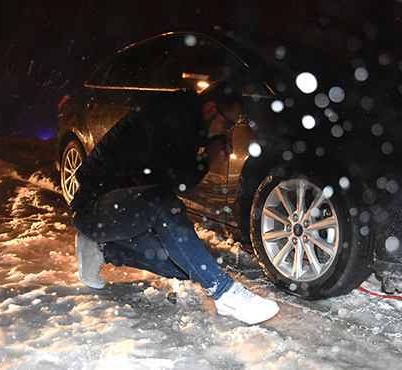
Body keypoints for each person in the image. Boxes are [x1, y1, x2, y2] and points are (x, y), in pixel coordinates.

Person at [70, 81, 279, 325]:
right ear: (210, 109)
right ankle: (224, 293)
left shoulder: (190, 125)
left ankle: (103, 248)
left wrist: (203, 158)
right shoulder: (170, 114)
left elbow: (173, 179)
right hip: (93, 206)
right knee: (164, 204)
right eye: (229, 124)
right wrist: (206, 160)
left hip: (122, 211)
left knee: (185, 266)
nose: (228, 133)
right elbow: (172, 180)